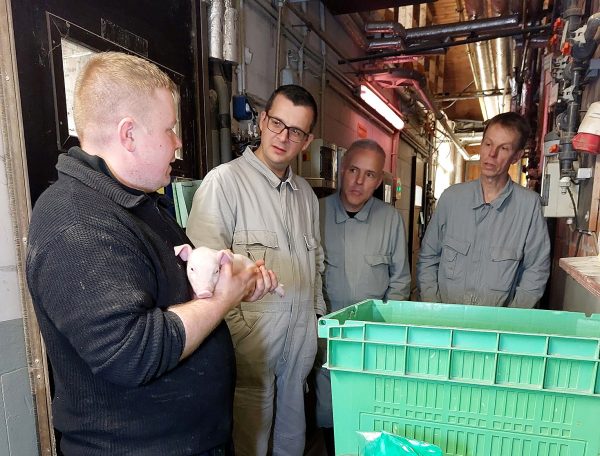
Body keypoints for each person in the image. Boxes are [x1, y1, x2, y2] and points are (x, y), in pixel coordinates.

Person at [26, 52, 277, 456]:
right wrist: (224, 299)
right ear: (129, 134)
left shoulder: (139, 203)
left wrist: (226, 277)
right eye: (170, 129)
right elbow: (131, 351)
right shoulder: (74, 220)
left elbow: (176, 295)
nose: (178, 144)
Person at [186, 84, 326, 456]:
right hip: (249, 357)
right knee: (248, 446)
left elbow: (315, 265)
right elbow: (202, 274)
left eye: (296, 131)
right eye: (278, 123)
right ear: (262, 121)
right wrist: (240, 332)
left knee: (290, 445)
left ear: (307, 140)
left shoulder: (308, 199)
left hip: (297, 355)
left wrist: (315, 320)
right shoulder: (224, 183)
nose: (284, 137)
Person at [315, 139, 411, 453]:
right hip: (326, 339)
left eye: (369, 174)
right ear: (342, 170)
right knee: (329, 411)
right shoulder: (315, 213)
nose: (359, 181)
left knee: (371, 411)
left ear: (379, 180)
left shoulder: (391, 220)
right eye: (353, 170)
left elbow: (400, 282)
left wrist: (384, 334)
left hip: (374, 339)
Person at [417, 112, 550, 308]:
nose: (492, 154)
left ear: (516, 156)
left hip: (497, 328)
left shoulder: (529, 207)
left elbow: (536, 271)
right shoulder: (451, 199)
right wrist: (434, 308)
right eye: (488, 144)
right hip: (446, 321)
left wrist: (510, 321)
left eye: (503, 148)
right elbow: (428, 257)